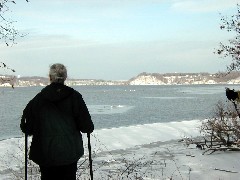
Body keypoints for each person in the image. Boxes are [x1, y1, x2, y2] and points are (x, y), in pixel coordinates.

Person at [20, 63, 94, 180]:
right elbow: (87, 127)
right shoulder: (75, 97)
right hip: (69, 152)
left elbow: (26, 128)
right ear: (65, 77)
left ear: (50, 77)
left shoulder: (38, 100)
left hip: (45, 154)